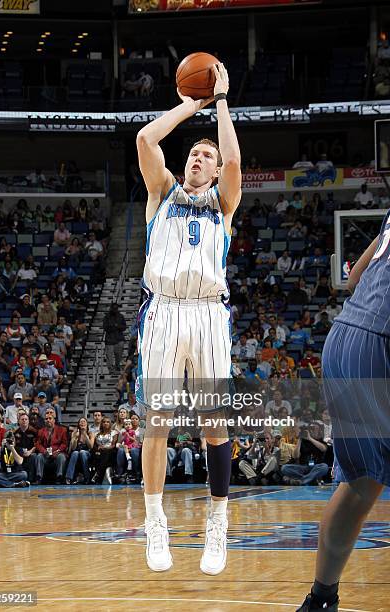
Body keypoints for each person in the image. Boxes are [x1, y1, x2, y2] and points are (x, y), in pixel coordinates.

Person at [136, 62, 241, 575]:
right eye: (195, 154)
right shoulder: (162, 193)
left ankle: (217, 524)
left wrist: (221, 102)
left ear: (216, 171)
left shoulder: (223, 204)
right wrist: (191, 104)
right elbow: (144, 138)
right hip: (163, 312)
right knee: (156, 423)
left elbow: (236, 160)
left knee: (214, 426)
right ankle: (155, 524)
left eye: (208, 156)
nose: (200, 158)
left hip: (208, 317)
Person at [296, 227, 389, 611]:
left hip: (347, 337)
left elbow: (353, 278)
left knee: (360, 483)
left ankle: (321, 600)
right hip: (381, 338)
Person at [34, 410, 68, 485]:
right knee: (39, 456)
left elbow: (64, 444)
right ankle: (39, 477)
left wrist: (58, 451)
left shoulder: (62, 430)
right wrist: (44, 452)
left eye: (50, 418)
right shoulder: (40, 431)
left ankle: (59, 477)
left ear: (54, 420)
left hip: (57, 454)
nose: (48, 420)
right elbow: (38, 444)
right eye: (46, 419)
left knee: (61, 456)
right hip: (46, 455)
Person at [65, 417, 93, 485]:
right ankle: (69, 477)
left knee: (82, 452)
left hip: (87, 453)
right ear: (78, 424)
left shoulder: (90, 433)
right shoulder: (75, 433)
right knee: (75, 452)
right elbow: (73, 448)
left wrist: (85, 434)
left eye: (84, 422)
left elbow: (91, 446)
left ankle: (87, 477)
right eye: (81, 422)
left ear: (87, 424)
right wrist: (75, 438)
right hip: (76, 453)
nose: (82, 423)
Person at [103, 303, 126, 374]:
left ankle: (117, 367)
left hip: (119, 339)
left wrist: (117, 326)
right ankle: (111, 369)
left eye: (116, 308)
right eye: (113, 308)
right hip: (109, 340)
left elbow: (124, 327)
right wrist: (114, 326)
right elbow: (105, 327)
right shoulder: (107, 317)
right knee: (109, 357)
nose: (114, 310)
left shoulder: (121, 316)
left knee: (118, 355)